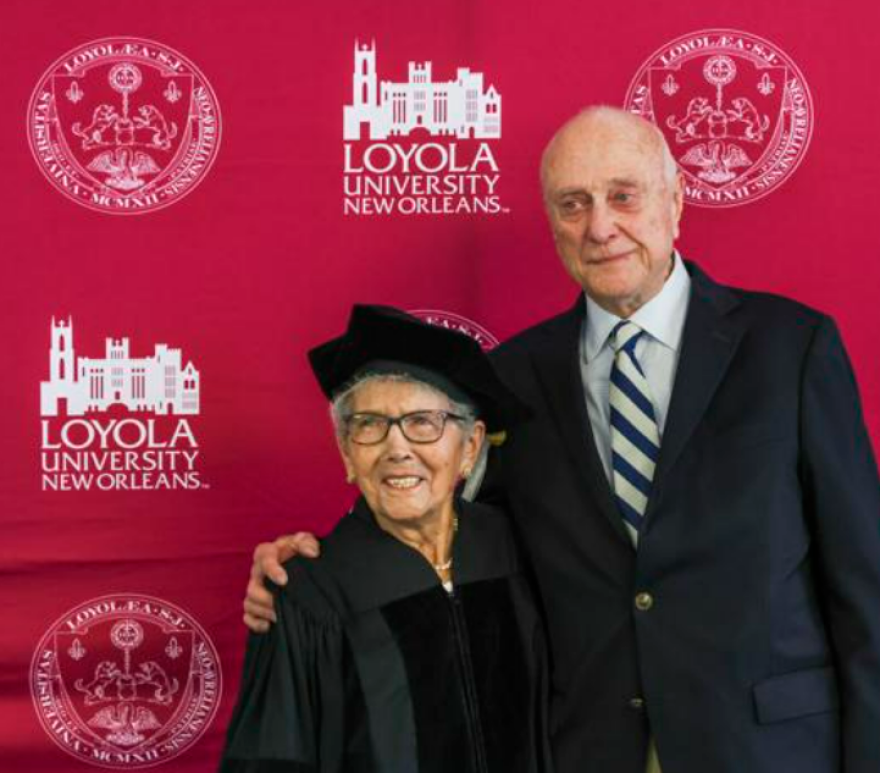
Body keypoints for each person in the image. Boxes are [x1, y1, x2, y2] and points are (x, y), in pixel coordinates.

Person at [242, 107, 880, 773]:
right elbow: (450, 522)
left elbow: (864, 583)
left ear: (675, 201)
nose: (599, 226)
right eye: (573, 204)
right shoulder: (513, 377)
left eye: (622, 196)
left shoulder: (790, 347)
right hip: (589, 748)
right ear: (552, 224)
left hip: (770, 749)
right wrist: (310, 568)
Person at [221, 304, 550, 773]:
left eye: (423, 422)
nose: (397, 448)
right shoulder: (309, 594)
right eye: (370, 425)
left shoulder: (514, 547)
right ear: (347, 451)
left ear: (470, 447)